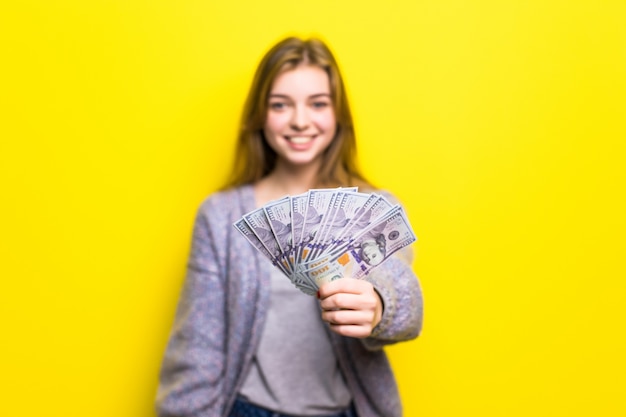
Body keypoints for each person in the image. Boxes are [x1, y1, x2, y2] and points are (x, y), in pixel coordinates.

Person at [156, 36, 423, 417]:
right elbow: (199, 345)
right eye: (281, 105)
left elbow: (402, 293)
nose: (300, 120)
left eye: (318, 103)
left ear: (338, 115)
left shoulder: (373, 209)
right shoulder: (221, 216)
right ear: (259, 115)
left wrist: (381, 305)